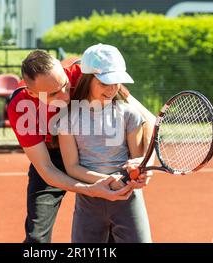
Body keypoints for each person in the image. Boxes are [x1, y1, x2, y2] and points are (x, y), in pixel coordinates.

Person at [7, 49, 155, 243]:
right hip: (52, 157)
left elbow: (147, 119)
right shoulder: (20, 104)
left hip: (88, 151)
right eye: (53, 94)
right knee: (37, 238)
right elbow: (45, 168)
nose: (65, 96)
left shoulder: (85, 73)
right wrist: (90, 189)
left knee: (112, 226)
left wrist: (145, 163)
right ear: (32, 93)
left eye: (65, 86)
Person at [57, 43, 152, 242]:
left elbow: (137, 159)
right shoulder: (67, 119)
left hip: (128, 200)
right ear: (88, 79)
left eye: (116, 82)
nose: (111, 90)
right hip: (89, 204)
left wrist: (140, 172)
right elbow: (72, 167)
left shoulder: (129, 114)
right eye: (104, 83)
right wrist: (105, 182)